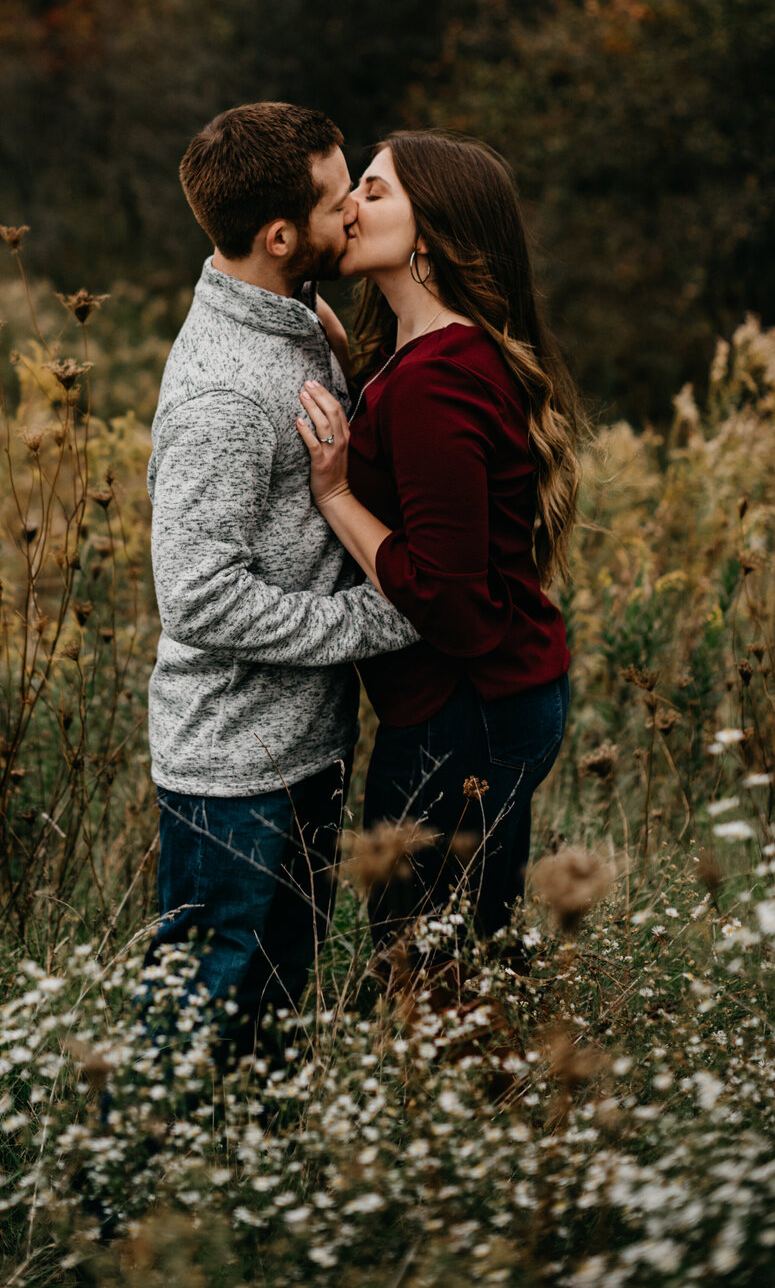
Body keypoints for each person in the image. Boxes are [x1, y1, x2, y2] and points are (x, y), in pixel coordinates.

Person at [144, 102, 418, 1046]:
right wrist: (380, 622)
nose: (354, 215)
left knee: (267, 1019)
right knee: (195, 1024)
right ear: (278, 235)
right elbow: (198, 595)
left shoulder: (292, 311)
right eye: (339, 202)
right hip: (235, 769)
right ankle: (121, 1191)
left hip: (302, 743)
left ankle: (236, 1184)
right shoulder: (224, 392)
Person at [295, 131, 584, 946]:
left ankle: (479, 1075)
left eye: (376, 193)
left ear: (433, 232)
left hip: (468, 707)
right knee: (465, 947)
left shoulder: (434, 379)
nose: (351, 206)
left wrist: (337, 492)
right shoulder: (428, 355)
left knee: (428, 960)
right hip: (491, 695)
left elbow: (451, 603)